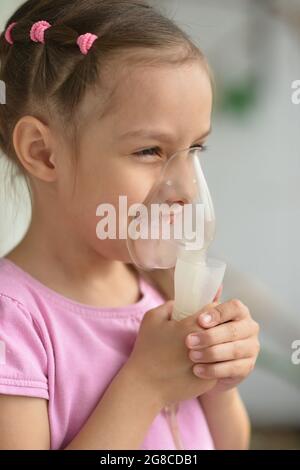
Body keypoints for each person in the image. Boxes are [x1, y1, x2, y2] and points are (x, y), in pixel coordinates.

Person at [0, 0, 260, 450]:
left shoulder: (163, 286)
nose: (185, 188)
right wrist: (146, 385)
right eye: (150, 151)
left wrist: (218, 382)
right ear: (44, 153)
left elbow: (230, 443)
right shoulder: (14, 323)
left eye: (196, 149)